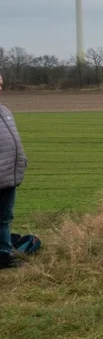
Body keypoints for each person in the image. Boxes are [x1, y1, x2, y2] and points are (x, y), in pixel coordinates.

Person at [0, 72, 28, 267]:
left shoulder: (5, 111)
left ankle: (4, 255)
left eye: (1, 83)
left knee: (4, 218)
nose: (0, 87)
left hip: (9, 177)